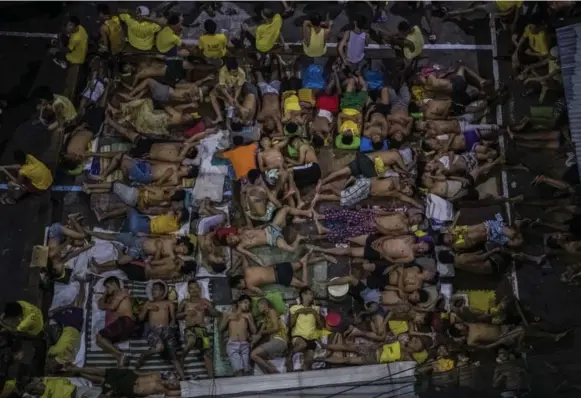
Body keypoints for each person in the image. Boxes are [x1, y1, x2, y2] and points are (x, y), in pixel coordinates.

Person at [222, 205, 309, 266]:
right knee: (292, 249)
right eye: (231, 243)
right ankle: (298, 238)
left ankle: (306, 213)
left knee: (285, 208)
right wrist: (261, 263)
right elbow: (251, 255)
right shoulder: (239, 246)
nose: (233, 241)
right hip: (273, 239)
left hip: (271, 228)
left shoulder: (242, 230)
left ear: (231, 234)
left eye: (231, 239)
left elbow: (255, 227)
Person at [135, 281, 183, 379]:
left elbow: (173, 319)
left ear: (162, 291)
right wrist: (146, 309)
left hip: (166, 330)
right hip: (153, 330)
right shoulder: (148, 303)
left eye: (156, 289)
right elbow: (140, 318)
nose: (153, 291)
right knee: (159, 347)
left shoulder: (168, 303)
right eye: (152, 289)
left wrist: (172, 326)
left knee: (173, 356)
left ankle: (184, 378)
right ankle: (143, 355)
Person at [177, 280, 221, 377]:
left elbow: (216, 314)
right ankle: (182, 356)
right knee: (191, 340)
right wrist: (186, 313)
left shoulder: (204, 301)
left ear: (200, 289)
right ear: (188, 290)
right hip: (190, 329)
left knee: (207, 354)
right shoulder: (185, 302)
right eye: (191, 288)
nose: (194, 290)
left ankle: (211, 378)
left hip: (201, 330)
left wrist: (209, 307)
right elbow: (176, 316)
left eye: (196, 287)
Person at [230, 250, 323, 294]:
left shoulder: (249, 285)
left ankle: (305, 263)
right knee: (300, 263)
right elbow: (243, 257)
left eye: (239, 287)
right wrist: (233, 269)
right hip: (279, 267)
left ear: (239, 283)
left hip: (280, 277)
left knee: (304, 285)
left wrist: (247, 292)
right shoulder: (246, 269)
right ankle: (322, 257)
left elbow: (261, 293)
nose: (241, 288)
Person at [65, 364, 182, 396]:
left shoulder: (163, 390)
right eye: (173, 382)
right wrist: (129, 371)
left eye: (173, 385)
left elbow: (177, 393)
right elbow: (141, 373)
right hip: (130, 376)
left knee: (101, 381)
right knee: (103, 372)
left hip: (129, 388)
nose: (171, 383)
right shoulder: (157, 374)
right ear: (172, 378)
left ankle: (78, 373)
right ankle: (76, 368)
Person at [310, 234, 432, 263]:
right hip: (377, 240)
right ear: (421, 241)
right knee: (348, 237)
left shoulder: (410, 257)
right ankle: (318, 237)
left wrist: (382, 252)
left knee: (348, 251)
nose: (420, 248)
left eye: (423, 250)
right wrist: (381, 240)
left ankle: (320, 249)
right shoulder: (410, 238)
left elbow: (393, 261)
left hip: (377, 253)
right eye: (423, 246)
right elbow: (393, 235)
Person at [96, 276, 136, 367]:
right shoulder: (114, 296)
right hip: (124, 325)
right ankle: (120, 356)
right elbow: (100, 306)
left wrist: (105, 298)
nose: (106, 289)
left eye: (107, 287)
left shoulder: (121, 292)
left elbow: (111, 307)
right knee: (100, 342)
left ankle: (120, 355)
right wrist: (104, 295)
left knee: (100, 336)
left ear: (114, 284)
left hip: (125, 321)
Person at [92, 153, 198, 185]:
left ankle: (126, 180)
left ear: (187, 172)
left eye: (187, 167)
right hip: (146, 166)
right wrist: (146, 160)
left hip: (146, 175)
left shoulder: (175, 180)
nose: (185, 165)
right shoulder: (175, 165)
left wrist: (166, 176)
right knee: (120, 155)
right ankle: (103, 175)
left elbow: (157, 185)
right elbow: (158, 163)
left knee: (124, 162)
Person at [47, 281, 86, 367]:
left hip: (74, 329)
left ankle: (81, 286)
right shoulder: (56, 352)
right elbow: (49, 352)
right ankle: (82, 284)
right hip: (71, 326)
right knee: (79, 304)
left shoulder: (69, 359)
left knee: (78, 304)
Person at [219, 295, 257, 376]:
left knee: (246, 371)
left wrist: (249, 320)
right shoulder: (228, 314)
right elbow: (220, 329)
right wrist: (227, 319)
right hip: (233, 344)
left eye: (248, 304)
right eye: (245, 303)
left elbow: (254, 331)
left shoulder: (249, 315)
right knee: (238, 370)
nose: (247, 305)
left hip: (244, 344)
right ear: (239, 303)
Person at [288, 287, 323, 371]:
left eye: (311, 294)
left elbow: (320, 326)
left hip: (311, 338)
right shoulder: (294, 308)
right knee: (302, 345)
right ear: (303, 295)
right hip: (298, 336)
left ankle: (302, 375)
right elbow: (290, 325)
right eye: (309, 294)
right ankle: (289, 356)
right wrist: (297, 313)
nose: (311, 296)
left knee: (309, 361)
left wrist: (315, 314)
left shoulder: (316, 309)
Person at [251, 298, 288, 374]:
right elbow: (259, 334)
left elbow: (276, 328)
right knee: (257, 357)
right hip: (274, 342)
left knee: (254, 354)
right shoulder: (265, 319)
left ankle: (272, 372)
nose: (258, 309)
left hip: (279, 340)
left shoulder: (272, 311)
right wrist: (252, 341)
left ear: (264, 305)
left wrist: (263, 332)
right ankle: (271, 373)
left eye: (259, 306)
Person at [211, 58, 247, 123]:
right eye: (233, 71)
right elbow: (222, 87)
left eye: (236, 70)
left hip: (235, 86)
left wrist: (235, 97)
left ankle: (237, 111)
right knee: (212, 94)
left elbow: (238, 87)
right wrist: (229, 97)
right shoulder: (223, 71)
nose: (236, 73)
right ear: (228, 70)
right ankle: (220, 116)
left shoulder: (242, 73)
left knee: (231, 102)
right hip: (225, 86)